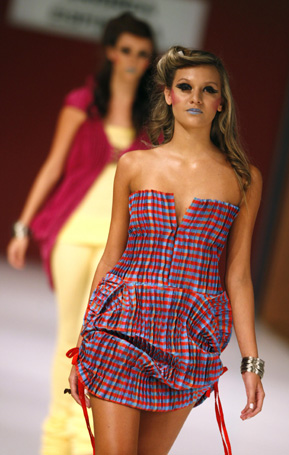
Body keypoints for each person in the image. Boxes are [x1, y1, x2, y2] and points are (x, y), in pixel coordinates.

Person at [68, 45, 265, 455]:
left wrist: (251, 363)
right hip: (120, 327)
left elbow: (239, 275)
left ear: (220, 103)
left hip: (189, 338)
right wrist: (83, 343)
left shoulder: (244, 178)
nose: (195, 97)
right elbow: (111, 255)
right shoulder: (134, 165)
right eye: (185, 87)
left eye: (207, 89)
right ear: (169, 95)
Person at [7, 12, 156, 455]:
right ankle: (59, 438)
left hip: (121, 240)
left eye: (143, 53)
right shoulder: (83, 101)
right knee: (70, 337)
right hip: (73, 231)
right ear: (110, 51)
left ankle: (81, 436)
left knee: (98, 342)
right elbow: (54, 164)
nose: (133, 60)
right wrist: (22, 226)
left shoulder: (153, 113)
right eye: (126, 50)